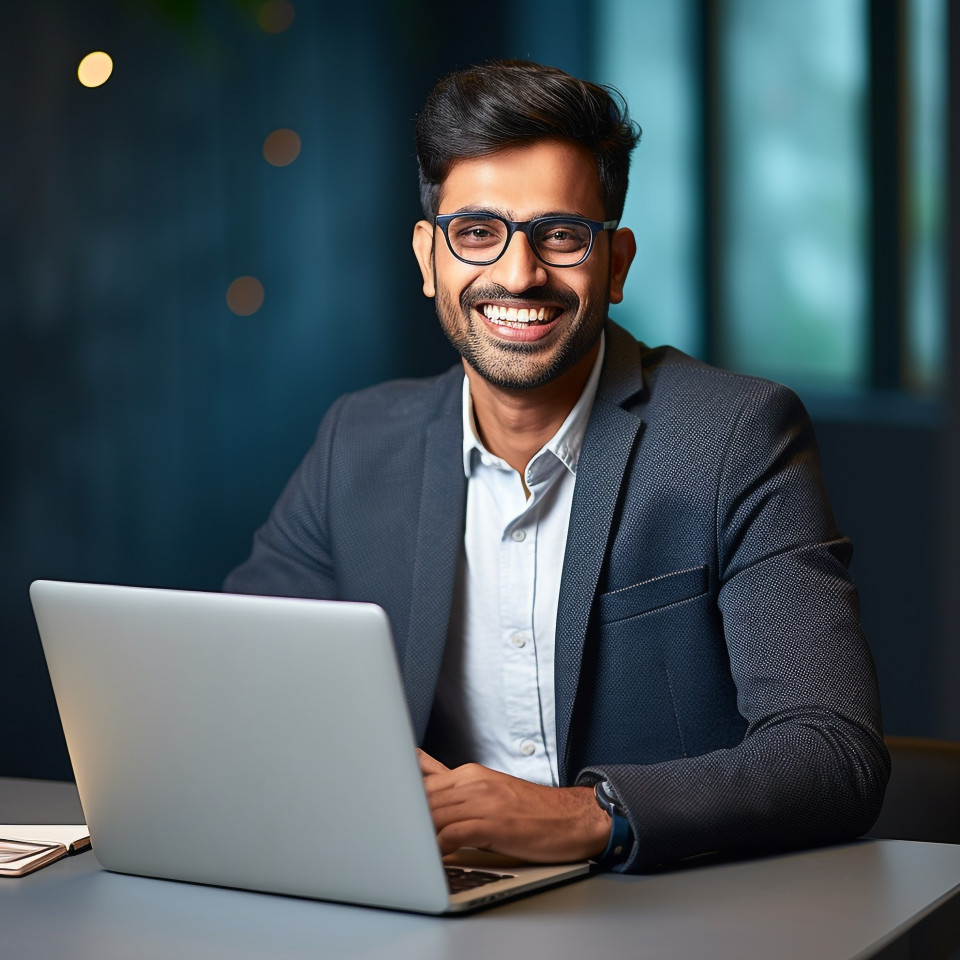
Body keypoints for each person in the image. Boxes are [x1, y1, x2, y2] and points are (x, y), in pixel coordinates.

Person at [225, 60, 889, 872]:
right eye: (477, 233)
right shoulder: (357, 443)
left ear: (616, 263)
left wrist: (589, 815)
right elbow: (235, 681)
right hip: (433, 897)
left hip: (667, 908)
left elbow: (833, 752)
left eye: (561, 235)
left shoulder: (736, 438)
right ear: (428, 258)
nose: (518, 274)